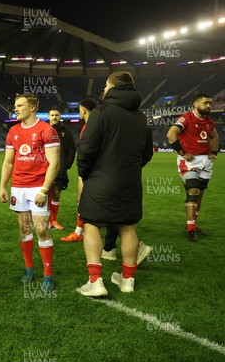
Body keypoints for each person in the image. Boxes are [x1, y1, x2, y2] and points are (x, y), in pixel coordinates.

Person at [76, 71, 153, 297]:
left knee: (91, 224)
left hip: (101, 180)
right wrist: (129, 169)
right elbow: (147, 153)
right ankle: (127, 280)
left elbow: (87, 149)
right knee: (127, 226)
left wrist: (85, 173)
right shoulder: (141, 117)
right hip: (129, 181)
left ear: (111, 87)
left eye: (105, 86)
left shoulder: (101, 112)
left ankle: (95, 282)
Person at [0, 93, 60, 292]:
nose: (15, 109)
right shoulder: (13, 131)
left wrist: (44, 189)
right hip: (18, 187)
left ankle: (48, 275)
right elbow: (8, 162)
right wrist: (2, 186)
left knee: (42, 229)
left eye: (20, 105)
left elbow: (54, 163)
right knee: (24, 229)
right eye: (15, 105)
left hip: (38, 187)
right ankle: (29, 268)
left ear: (33, 107)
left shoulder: (47, 130)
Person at [166, 93, 219, 242]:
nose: (208, 105)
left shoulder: (209, 121)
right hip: (189, 161)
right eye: (205, 103)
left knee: (200, 194)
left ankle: (193, 225)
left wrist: (214, 151)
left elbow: (214, 137)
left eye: (210, 103)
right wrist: (182, 153)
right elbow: (171, 134)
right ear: (195, 104)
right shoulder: (187, 118)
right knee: (193, 191)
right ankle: (190, 229)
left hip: (206, 162)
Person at [60, 98, 97, 243]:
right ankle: (81, 230)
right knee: (83, 200)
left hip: (90, 170)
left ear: (83, 110)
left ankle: (79, 232)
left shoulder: (90, 127)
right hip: (91, 169)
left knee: (82, 200)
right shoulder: (91, 125)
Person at [47, 107, 76, 231]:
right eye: (52, 115)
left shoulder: (66, 132)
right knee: (44, 195)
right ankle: (46, 221)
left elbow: (72, 149)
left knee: (56, 194)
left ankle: (54, 220)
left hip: (60, 169)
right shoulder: (43, 130)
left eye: (56, 115)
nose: (54, 117)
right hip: (44, 169)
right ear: (48, 117)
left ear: (60, 116)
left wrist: (66, 164)